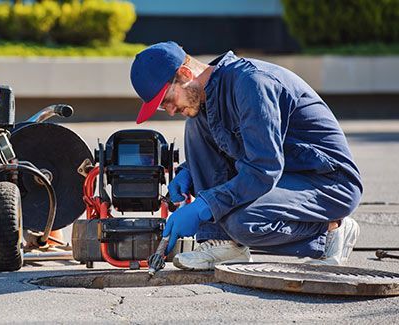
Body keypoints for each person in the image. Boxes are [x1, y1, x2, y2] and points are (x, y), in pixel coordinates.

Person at [130, 42, 363, 270]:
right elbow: (232, 149)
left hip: (328, 182)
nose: (169, 111)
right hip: (283, 176)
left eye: (167, 101)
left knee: (243, 222)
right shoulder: (207, 96)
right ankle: (223, 243)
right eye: (162, 107)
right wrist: (189, 172)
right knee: (195, 122)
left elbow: (263, 169)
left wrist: (205, 205)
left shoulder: (252, 83)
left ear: (185, 72)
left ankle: (332, 230)